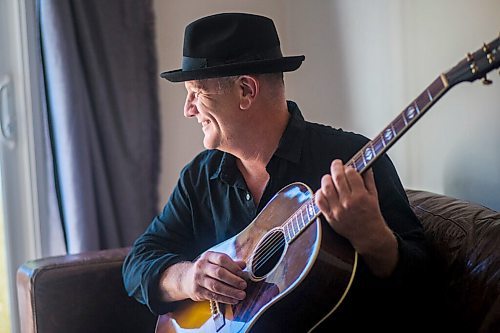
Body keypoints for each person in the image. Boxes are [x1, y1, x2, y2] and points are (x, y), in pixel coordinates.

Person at [122, 12, 431, 331]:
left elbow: (422, 286)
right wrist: (188, 278)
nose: (188, 109)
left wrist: (372, 235)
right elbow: (138, 261)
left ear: (245, 91)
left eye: (196, 93)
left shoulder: (349, 158)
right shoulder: (201, 176)